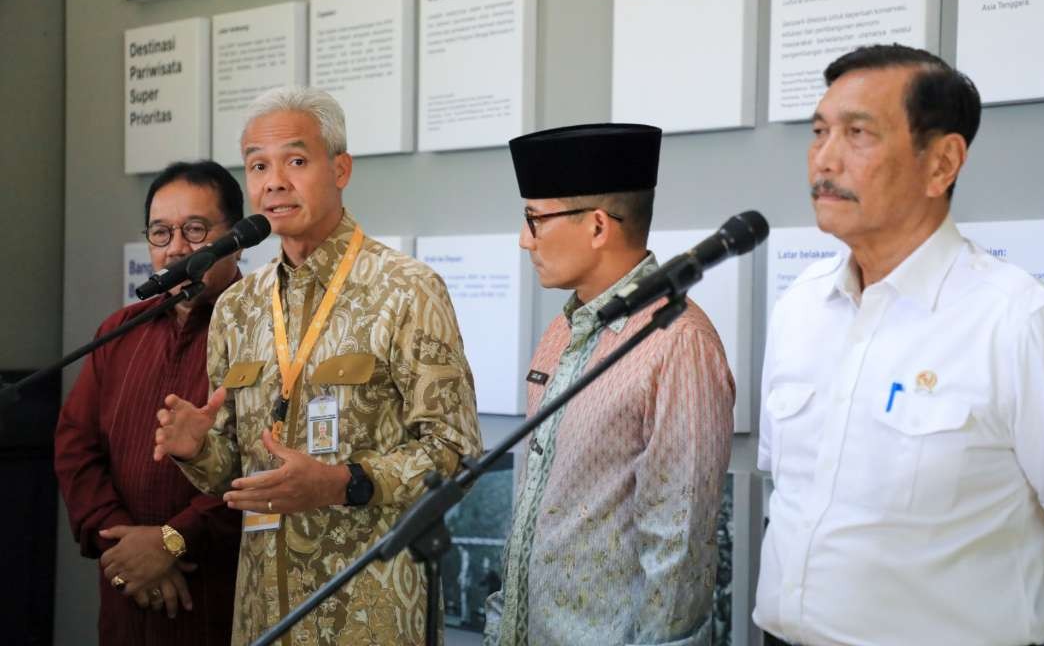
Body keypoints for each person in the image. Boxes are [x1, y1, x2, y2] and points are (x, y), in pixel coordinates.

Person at [755, 44, 1044, 646]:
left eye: (858, 134)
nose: (824, 160)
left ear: (942, 164)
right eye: (819, 131)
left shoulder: (1022, 324)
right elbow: (790, 495)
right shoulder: (800, 306)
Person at [154, 86, 483, 646]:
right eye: (258, 165)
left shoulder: (406, 289)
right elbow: (234, 468)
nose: (273, 181)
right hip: (263, 611)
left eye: (296, 161)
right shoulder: (238, 306)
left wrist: (342, 483)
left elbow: (455, 451)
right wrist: (196, 450)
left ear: (341, 168)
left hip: (369, 609)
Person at [484, 123, 736, 645]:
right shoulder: (564, 328)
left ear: (598, 226)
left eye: (534, 219)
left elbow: (679, 539)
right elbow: (534, 499)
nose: (523, 239)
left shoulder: (678, 342)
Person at [55, 161, 244, 645]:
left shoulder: (265, 332)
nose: (176, 247)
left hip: (221, 595)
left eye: (195, 230)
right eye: (161, 233)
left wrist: (171, 541)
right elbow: (76, 448)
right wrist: (124, 546)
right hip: (127, 596)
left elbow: (266, 465)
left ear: (236, 238)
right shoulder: (120, 330)